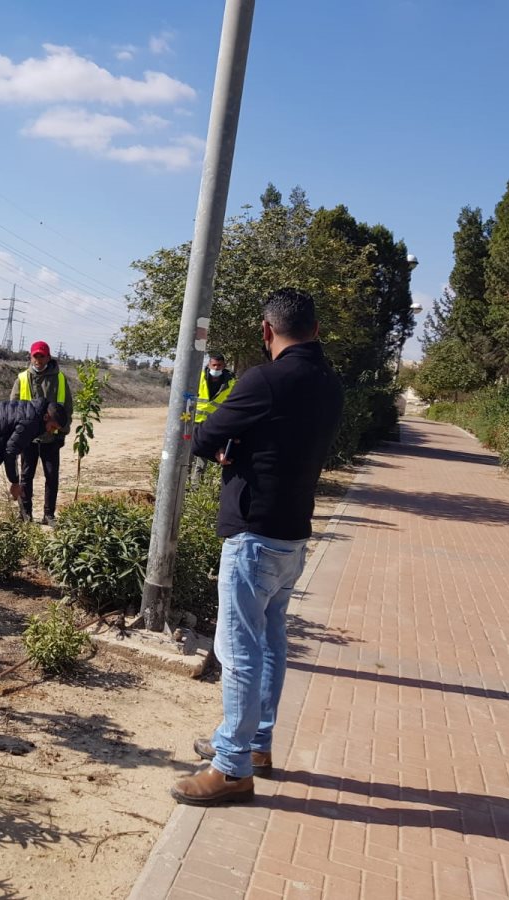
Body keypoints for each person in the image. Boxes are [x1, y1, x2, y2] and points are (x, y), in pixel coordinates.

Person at [171, 288, 343, 806]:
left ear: (267, 331)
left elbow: (203, 438)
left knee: (239, 649)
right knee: (269, 645)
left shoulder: (264, 379)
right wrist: (248, 445)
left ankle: (231, 767)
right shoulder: (330, 383)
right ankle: (256, 745)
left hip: (254, 535)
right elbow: (290, 442)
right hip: (293, 535)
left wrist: (233, 446)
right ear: (314, 329)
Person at [0, 398, 68, 526]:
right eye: (52, 427)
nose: (51, 431)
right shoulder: (30, 421)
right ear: (46, 417)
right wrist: (15, 482)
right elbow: (10, 452)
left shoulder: (35, 414)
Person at [10, 341, 73, 524]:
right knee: (26, 476)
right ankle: (25, 514)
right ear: (31, 357)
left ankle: (49, 515)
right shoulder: (22, 378)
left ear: (48, 357)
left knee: (51, 477)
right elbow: (12, 408)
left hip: (51, 438)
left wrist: (62, 432)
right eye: (35, 356)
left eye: (42, 356)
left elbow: (67, 408)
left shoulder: (60, 379)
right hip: (28, 438)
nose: (38, 360)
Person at [191, 352, 235, 485]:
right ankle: (184, 485)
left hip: (211, 424)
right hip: (193, 421)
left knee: (202, 457)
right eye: (214, 365)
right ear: (209, 364)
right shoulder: (198, 378)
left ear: (224, 365)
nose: (216, 368)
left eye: (219, 365)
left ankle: (195, 486)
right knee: (187, 455)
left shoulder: (231, 383)